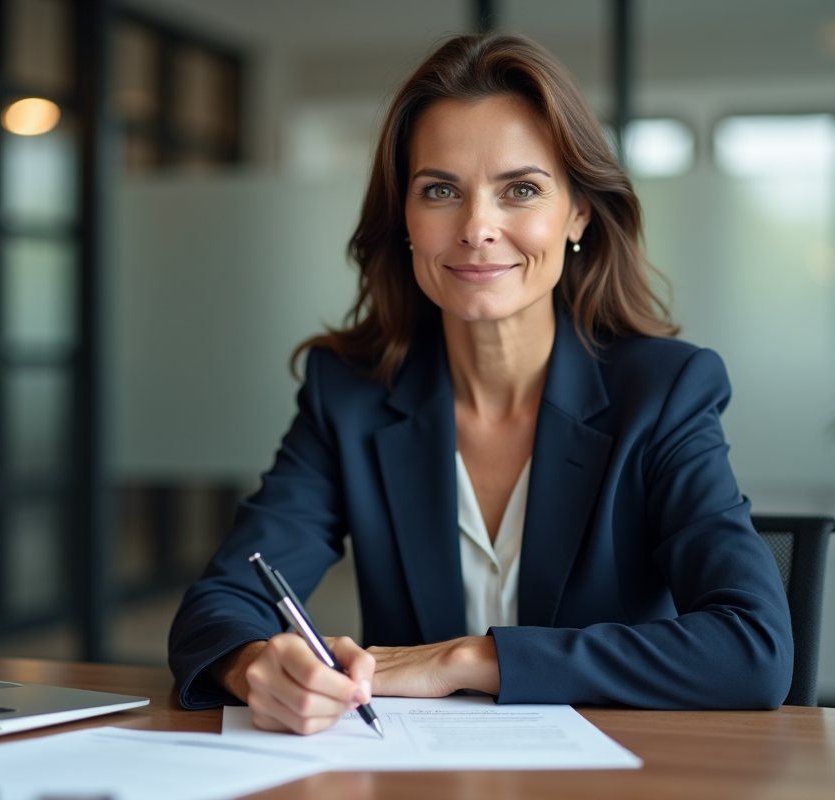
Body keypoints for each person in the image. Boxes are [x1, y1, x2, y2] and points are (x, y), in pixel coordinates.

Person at [168, 31, 793, 735]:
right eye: (440, 190)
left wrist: (467, 660)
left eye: (520, 190)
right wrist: (257, 664)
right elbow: (220, 605)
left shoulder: (665, 392)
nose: (477, 228)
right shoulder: (348, 393)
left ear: (579, 213)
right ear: (405, 220)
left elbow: (753, 649)